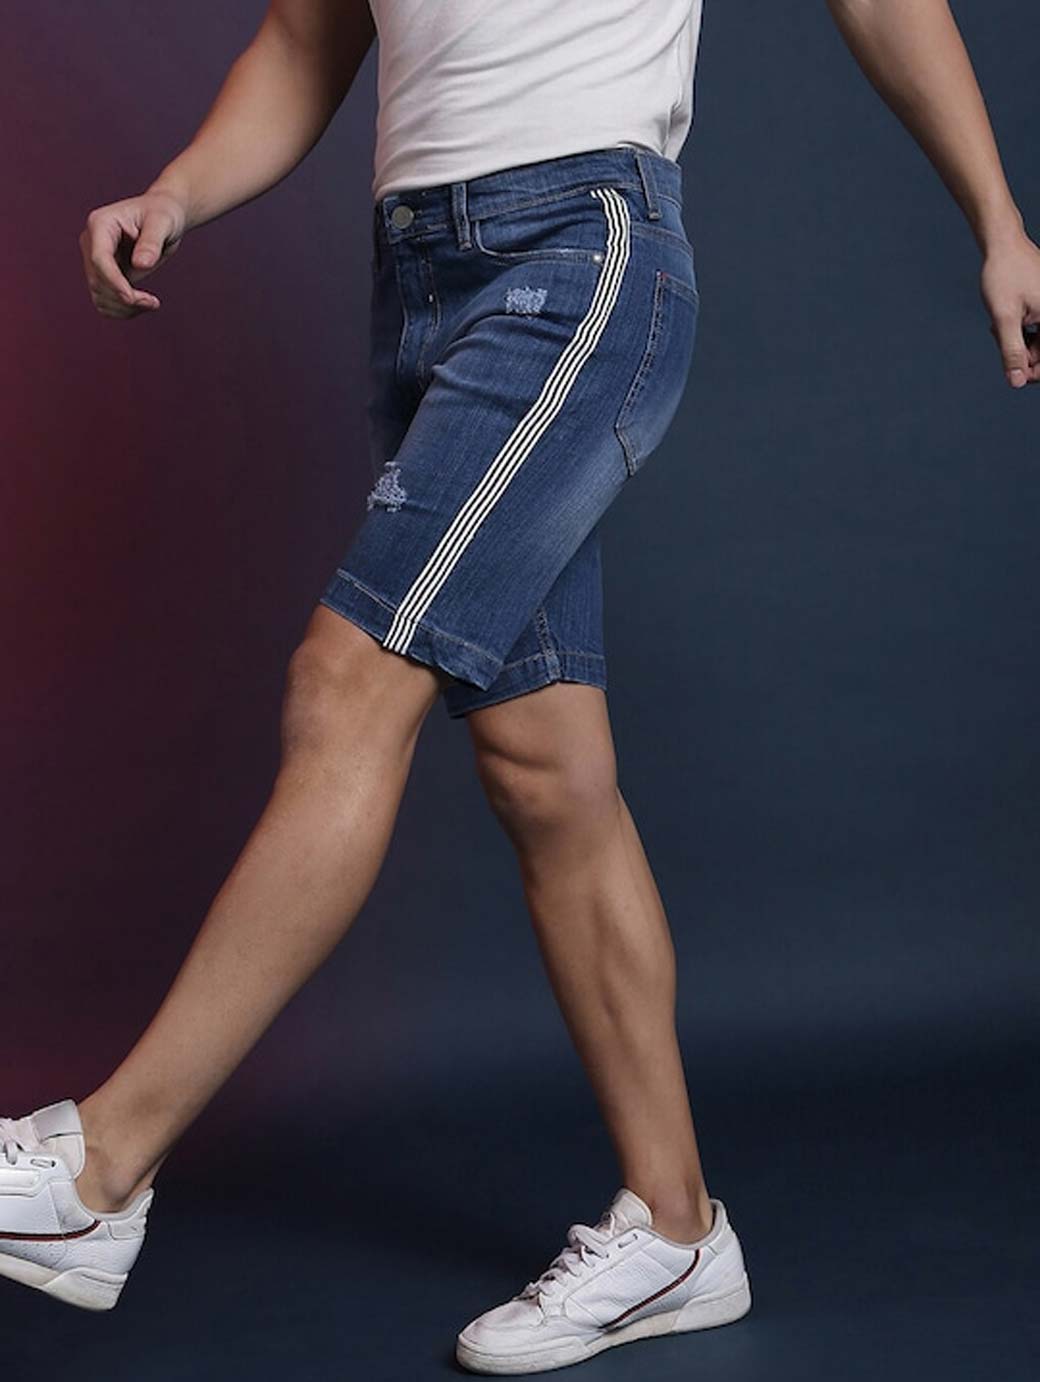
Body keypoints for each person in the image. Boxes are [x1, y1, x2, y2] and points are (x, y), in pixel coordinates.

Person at [2, 0, 1037, 1373]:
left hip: (581, 252)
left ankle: (98, 1170)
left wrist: (999, 221)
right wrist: (178, 192)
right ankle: (678, 1230)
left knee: (346, 683)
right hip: (421, 280)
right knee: (546, 770)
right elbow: (308, 40)